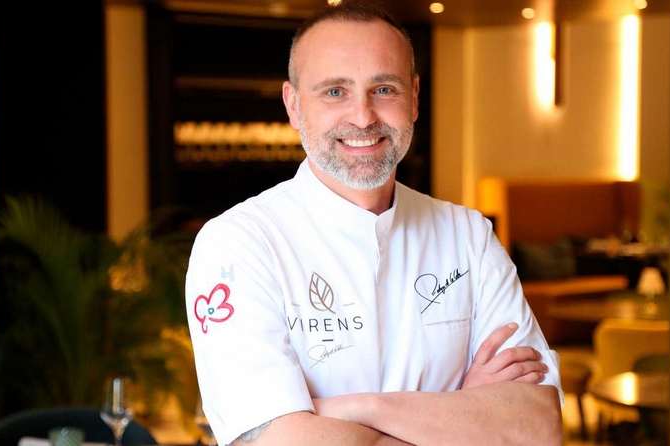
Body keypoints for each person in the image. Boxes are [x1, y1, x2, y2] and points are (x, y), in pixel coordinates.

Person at [185, 2, 564, 445]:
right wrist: (462, 410)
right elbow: (275, 440)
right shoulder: (238, 244)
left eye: (384, 89)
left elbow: (538, 427)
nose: (363, 117)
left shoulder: (469, 236)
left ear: (414, 97)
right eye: (334, 92)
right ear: (293, 105)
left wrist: (358, 408)